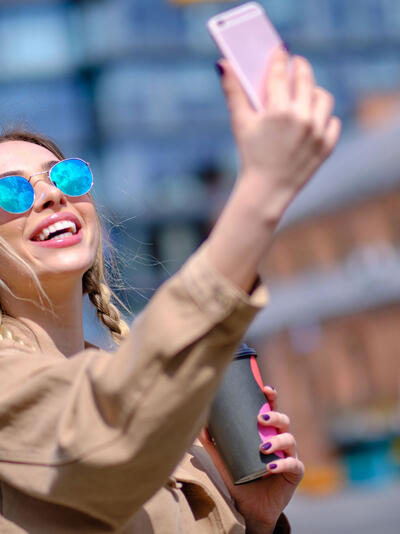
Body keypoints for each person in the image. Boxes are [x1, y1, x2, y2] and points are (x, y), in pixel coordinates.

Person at [0, 47, 340, 534]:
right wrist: (260, 193)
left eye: (64, 176)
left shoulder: (156, 401)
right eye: (11, 191)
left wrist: (256, 517)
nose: (53, 195)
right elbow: (101, 432)